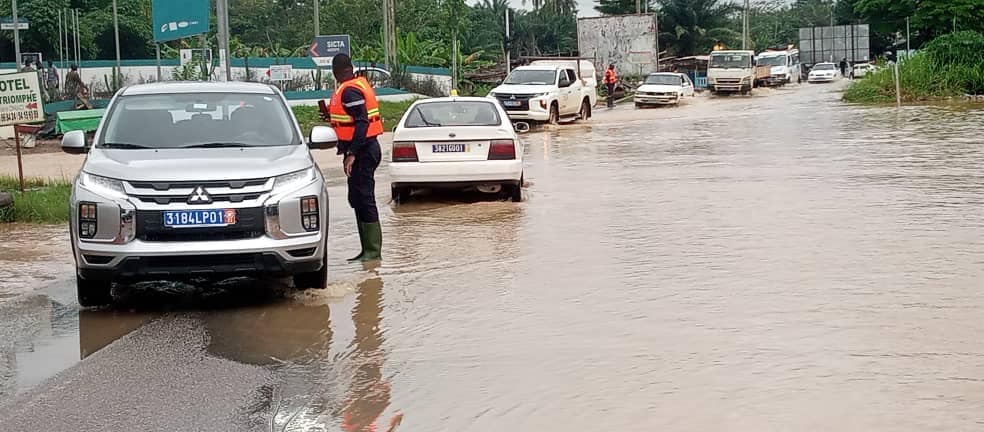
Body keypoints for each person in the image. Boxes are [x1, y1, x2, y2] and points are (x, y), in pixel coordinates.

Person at [326, 54, 384, 262]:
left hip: (364, 151)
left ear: (335, 71)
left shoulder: (349, 90)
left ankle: (373, 252)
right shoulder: (353, 86)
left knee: (365, 198)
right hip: (363, 149)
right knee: (356, 198)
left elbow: (362, 122)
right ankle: (366, 250)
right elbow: (351, 120)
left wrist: (352, 154)